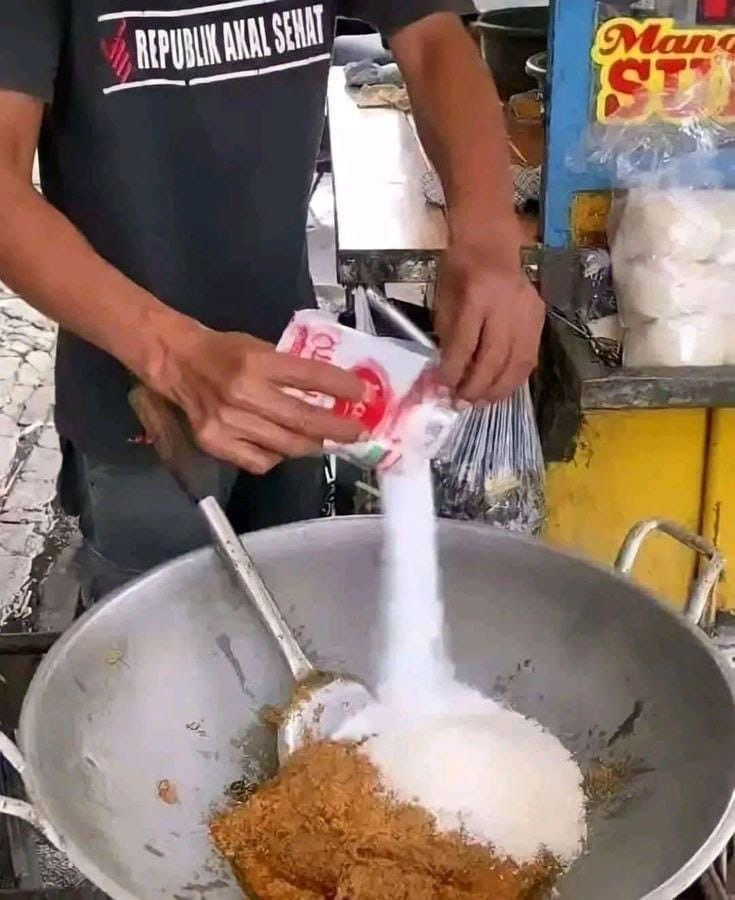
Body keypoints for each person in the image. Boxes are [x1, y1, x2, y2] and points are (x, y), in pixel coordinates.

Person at [0, 2, 544, 601]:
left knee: (294, 618)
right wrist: (173, 356)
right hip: (136, 400)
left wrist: (489, 240)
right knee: (158, 646)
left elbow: (432, 38)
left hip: (295, 367)